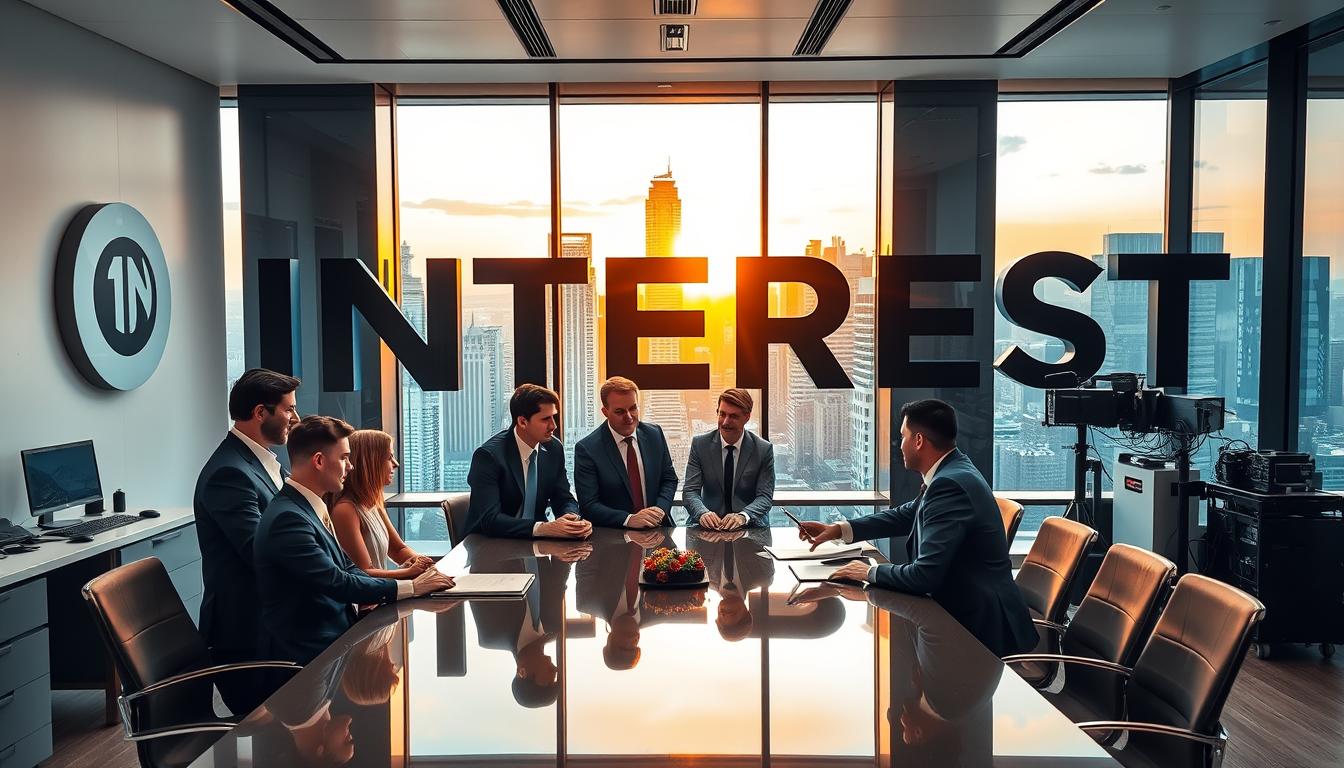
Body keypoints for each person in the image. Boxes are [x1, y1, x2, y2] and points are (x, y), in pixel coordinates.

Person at [798, 399, 1036, 657]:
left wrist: (869, 572)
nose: (899, 445)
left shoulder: (949, 485)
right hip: (961, 610)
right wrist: (838, 529)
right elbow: (908, 514)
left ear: (919, 440)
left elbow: (924, 576)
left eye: (903, 436)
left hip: (974, 627)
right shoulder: (952, 471)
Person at [255, 416, 453, 665]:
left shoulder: (307, 508)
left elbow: (348, 569)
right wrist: (412, 586)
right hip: (309, 656)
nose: (350, 467)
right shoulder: (289, 518)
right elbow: (337, 582)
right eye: (344, 458)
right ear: (319, 461)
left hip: (336, 639)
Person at [192, 367, 300, 714]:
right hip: (252, 638)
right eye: (288, 409)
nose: (295, 418)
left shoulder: (266, 464)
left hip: (276, 626)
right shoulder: (230, 473)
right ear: (260, 413)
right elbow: (261, 554)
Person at [464, 384, 590, 539]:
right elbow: (490, 520)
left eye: (554, 417)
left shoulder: (553, 448)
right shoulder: (489, 456)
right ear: (523, 422)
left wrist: (571, 519)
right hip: (490, 545)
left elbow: (563, 497)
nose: (553, 426)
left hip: (535, 545)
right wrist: (544, 528)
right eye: (545, 419)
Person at [573, 376, 678, 529]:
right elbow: (589, 505)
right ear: (605, 412)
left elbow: (669, 479)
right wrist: (629, 519)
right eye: (620, 411)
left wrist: (660, 510)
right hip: (614, 537)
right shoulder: (588, 449)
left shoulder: (654, 434)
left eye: (633, 408)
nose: (629, 417)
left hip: (658, 530)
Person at [330, 429, 435, 580]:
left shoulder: (373, 505)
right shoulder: (346, 510)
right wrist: (409, 572)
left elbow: (398, 550)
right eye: (389, 457)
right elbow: (363, 573)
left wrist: (423, 563)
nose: (396, 464)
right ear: (370, 462)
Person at [683, 388, 775, 529]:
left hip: (749, 526)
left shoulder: (763, 450)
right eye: (722, 414)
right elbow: (690, 491)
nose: (725, 422)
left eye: (733, 416)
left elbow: (765, 497)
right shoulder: (700, 445)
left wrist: (743, 516)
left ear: (747, 417)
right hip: (708, 525)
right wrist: (703, 513)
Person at [687, 527, 775, 642]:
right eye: (730, 613)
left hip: (708, 516)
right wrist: (742, 532)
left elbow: (690, 534)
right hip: (745, 516)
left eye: (719, 615)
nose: (722, 612)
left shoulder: (701, 578)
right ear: (746, 611)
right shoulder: (762, 577)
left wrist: (705, 530)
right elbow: (764, 534)